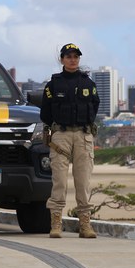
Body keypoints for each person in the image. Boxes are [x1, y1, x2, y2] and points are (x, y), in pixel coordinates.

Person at [40, 43, 100, 238]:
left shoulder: (88, 84)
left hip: (83, 135)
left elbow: (95, 106)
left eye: (76, 56)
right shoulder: (53, 85)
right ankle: (56, 223)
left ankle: (85, 225)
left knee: (83, 182)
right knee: (59, 181)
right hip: (61, 136)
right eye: (69, 56)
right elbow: (45, 113)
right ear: (62, 59)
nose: (73, 59)